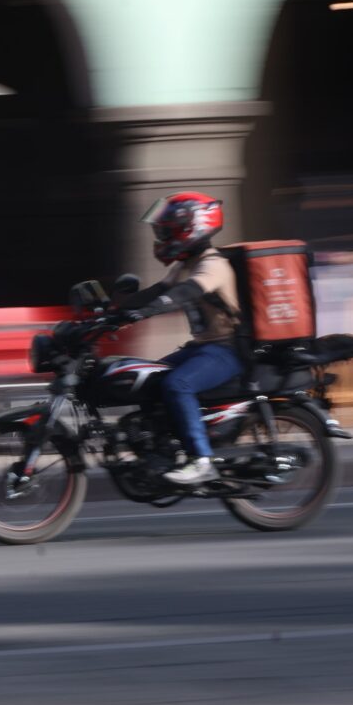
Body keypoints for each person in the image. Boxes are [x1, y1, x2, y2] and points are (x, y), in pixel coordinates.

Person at [120, 192, 243, 485]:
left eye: (166, 230)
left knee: (178, 384)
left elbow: (184, 293)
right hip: (201, 348)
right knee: (147, 378)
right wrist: (114, 308)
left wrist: (150, 310)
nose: (161, 236)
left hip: (227, 351)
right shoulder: (184, 264)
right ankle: (161, 451)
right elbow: (154, 292)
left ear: (191, 228)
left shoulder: (213, 265)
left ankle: (202, 460)